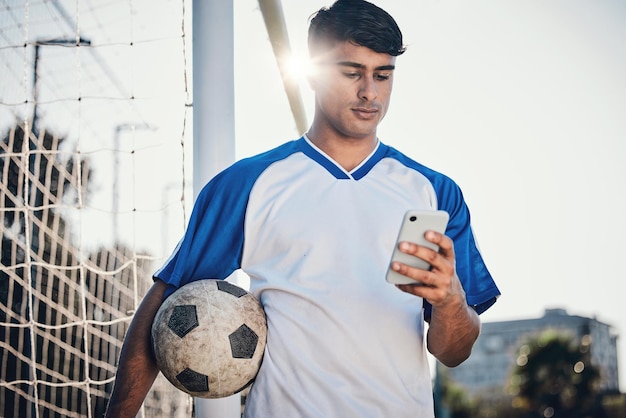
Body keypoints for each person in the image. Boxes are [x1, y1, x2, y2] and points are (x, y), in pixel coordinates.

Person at [105, 0, 500, 417]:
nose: (370, 92)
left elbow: (453, 352)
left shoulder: (435, 193)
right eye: (352, 73)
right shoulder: (248, 185)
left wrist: (450, 301)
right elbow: (164, 306)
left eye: (383, 75)